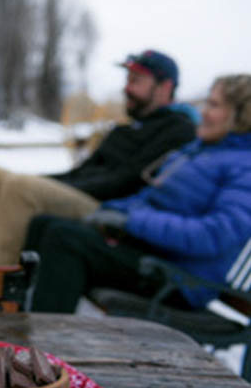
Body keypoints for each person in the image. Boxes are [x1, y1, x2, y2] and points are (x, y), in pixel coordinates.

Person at [26, 74, 251, 313]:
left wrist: (131, 222)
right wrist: (112, 211)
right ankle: (18, 317)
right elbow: (150, 198)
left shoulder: (243, 166)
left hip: (180, 279)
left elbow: (213, 235)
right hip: (152, 255)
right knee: (44, 224)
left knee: (66, 239)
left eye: (215, 105)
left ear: (241, 115)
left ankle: (44, 341)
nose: (204, 112)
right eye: (207, 103)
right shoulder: (197, 152)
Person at [0, 50, 197, 267]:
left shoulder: (178, 130)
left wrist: (47, 186)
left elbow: (125, 182)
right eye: (127, 80)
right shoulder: (126, 129)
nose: (127, 88)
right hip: (87, 195)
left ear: (165, 88)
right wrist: (47, 181)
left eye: (136, 81)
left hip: (111, 210)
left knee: (20, 188)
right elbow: (82, 171)